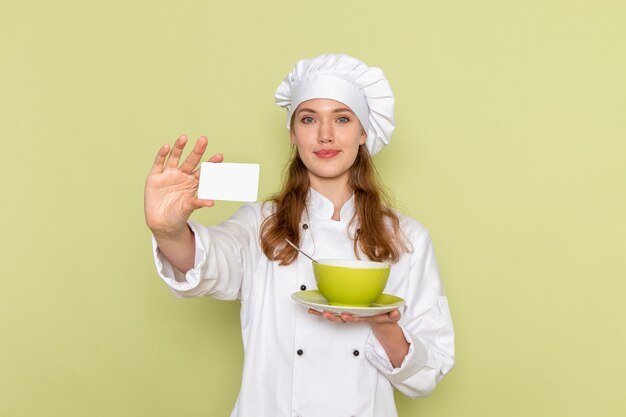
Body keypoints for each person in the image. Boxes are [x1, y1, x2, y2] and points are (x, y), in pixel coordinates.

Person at [144, 53, 455, 417]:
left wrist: (382, 324)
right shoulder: (260, 224)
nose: (325, 135)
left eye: (342, 118)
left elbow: (427, 373)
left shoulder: (407, 238)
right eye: (309, 119)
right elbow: (207, 262)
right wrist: (168, 231)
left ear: (364, 132)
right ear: (293, 134)